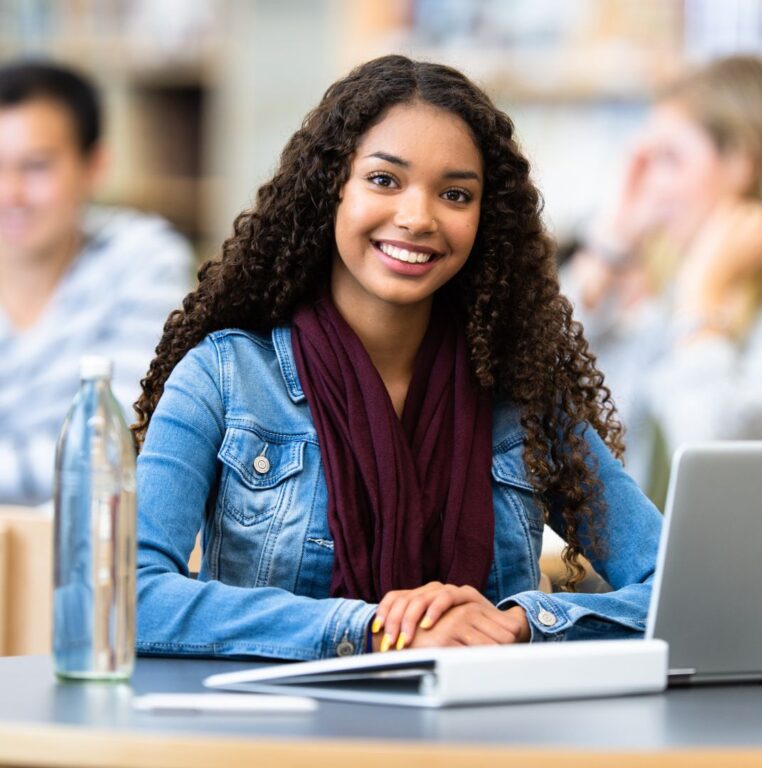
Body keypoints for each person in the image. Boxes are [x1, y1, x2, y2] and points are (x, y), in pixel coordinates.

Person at [133, 55, 661, 660]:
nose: (417, 218)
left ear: (485, 218)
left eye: (455, 194)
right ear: (330, 188)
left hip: (479, 739)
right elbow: (132, 597)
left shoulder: (523, 393)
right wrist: (369, 629)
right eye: (384, 180)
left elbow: (675, 584)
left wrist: (519, 624)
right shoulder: (223, 378)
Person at [564, 56, 762, 498]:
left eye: (670, 160)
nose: (652, 185)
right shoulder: (670, 299)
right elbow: (551, 395)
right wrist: (609, 243)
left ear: (740, 164)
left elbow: (724, 483)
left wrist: (702, 299)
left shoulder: (706, 300)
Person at [0, 60, 194, 505]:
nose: (10, 193)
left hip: (83, 551)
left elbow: (112, 443)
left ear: (94, 165)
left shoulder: (141, 260)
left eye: (35, 166)